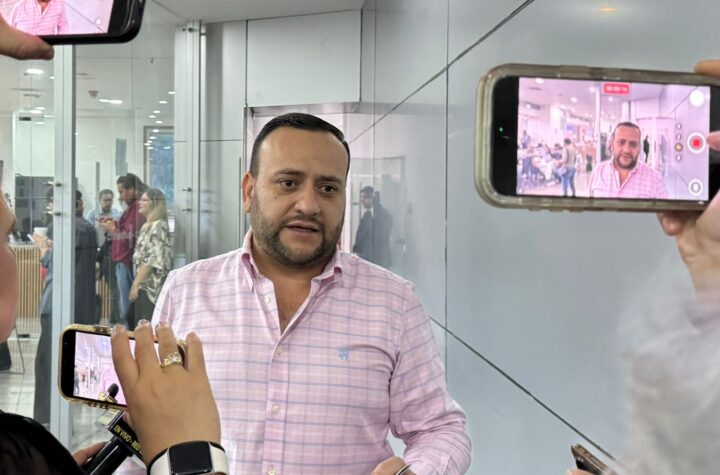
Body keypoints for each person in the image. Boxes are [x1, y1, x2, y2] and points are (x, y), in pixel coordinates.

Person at [141, 113, 471, 475]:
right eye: (288, 183)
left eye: (327, 188)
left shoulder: (394, 303)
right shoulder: (186, 291)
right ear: (249, 192)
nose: (309, 205)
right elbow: (145, 430)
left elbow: (440, 429)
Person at [32, 189, 97, 427]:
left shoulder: (61, 227)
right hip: (82, 305)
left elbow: (53, 263)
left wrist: (44, 248)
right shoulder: (89, 228)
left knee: (47, 363)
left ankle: (46, 420)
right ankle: (66, 420)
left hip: (58, 305)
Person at [101, 173, 146, 326]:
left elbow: (130, 237)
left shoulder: (137, 210)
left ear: (132, 189)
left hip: (126, 260)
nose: (120, 197)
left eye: (121, 192)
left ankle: (129, 335)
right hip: (123, 260)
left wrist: (113, 229)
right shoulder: (131, 210)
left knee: (126, 308)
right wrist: (115, 225)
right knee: (123, 305)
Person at [126, 188, 172, 329]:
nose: (140, 203)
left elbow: (151, 260)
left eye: (144, 200)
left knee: (142, 327)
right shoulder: (147, 226)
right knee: (131, 319)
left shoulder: (158, 226)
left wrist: (136, 284)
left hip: (151, 288)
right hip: (144, 285)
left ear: (154, 203)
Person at [587, 122, 668, 199]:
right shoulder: (598, 172)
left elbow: (664, 209)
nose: (626, 150)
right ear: (612, 144)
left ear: (639, 148)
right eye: (621, 142)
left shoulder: (655, 179)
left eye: (633, 144)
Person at [352, 185, 393, 267]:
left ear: (372, 198)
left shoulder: (383, 215)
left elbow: (380, 239)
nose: (362, 200)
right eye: (361, 197)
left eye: (364, 197)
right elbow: (361, 237)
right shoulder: (367, 215)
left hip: (378, 261)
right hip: (366, 260)